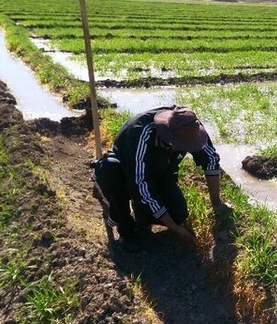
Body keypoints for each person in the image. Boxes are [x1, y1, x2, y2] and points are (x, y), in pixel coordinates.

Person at [92, 105, 230, 252]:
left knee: (178, 214)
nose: (182, 148)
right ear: (168, 134)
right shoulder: (141, 133)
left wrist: (216, 203)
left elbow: (210, 160)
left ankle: (143, 217)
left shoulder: (191, 127)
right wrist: (175, 228)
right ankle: (125, 227)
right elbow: (140, 184)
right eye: (180, 145)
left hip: (161, 172)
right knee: (110, 170)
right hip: (126, 171)